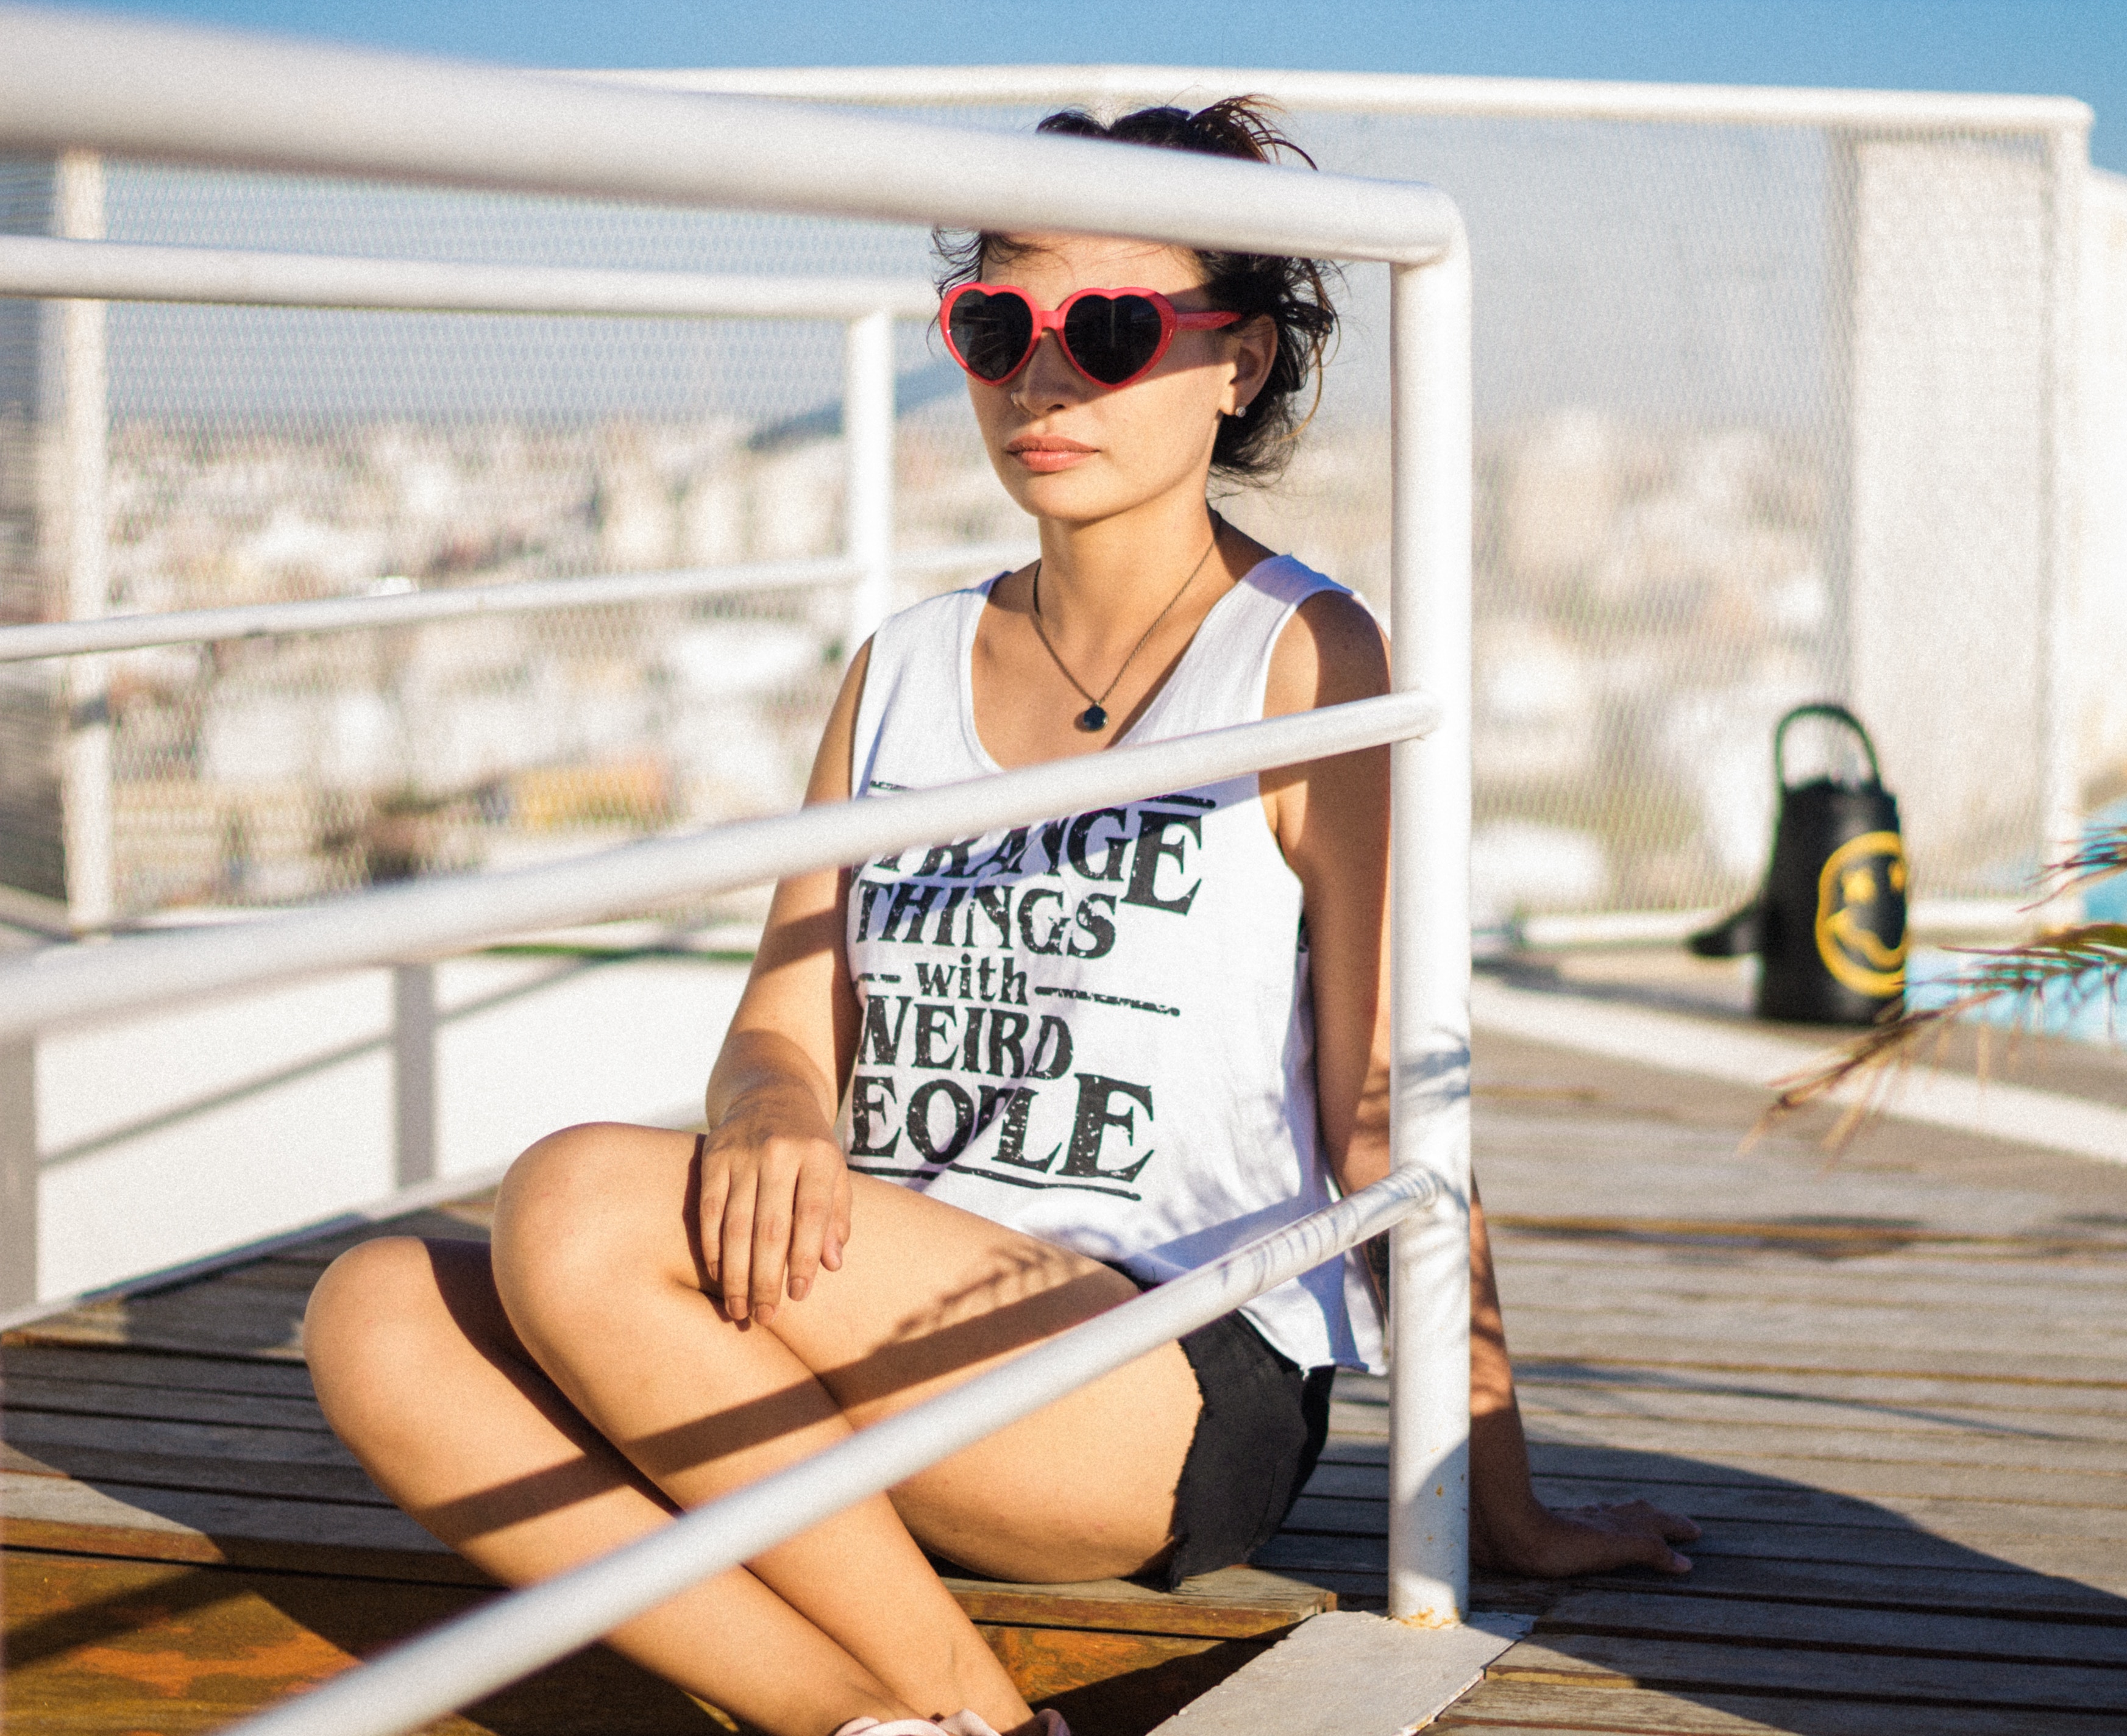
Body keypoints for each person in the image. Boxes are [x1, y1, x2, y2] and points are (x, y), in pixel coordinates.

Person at [305, 98, 1698, 1736]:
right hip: (869, 1327)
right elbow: (784, 1011)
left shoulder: (1308, 666)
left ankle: (965, 1707)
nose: (1046, 377)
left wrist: (1499, 1502)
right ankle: (864, 1719)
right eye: (997, 326)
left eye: (1111, 329)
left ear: (1239, 362)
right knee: (378, 1311)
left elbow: (1387, 1112)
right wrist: (769, 1109)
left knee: (578, 1208)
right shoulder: (899, 668)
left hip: (1162, 1376)